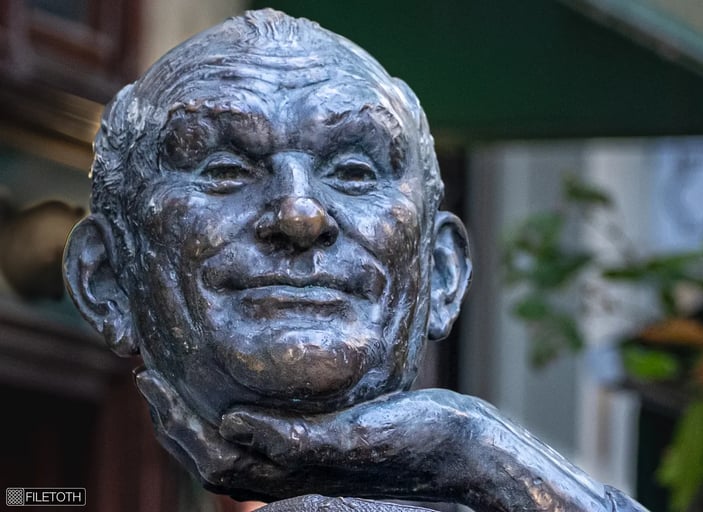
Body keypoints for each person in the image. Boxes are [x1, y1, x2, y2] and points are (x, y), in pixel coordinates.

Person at [64, 9, 648, 512]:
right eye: (224, 171)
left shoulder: (475, 460)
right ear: (108, 278)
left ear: (442, 274)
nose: (300, 215)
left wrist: (472, 450)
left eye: (354, 172)